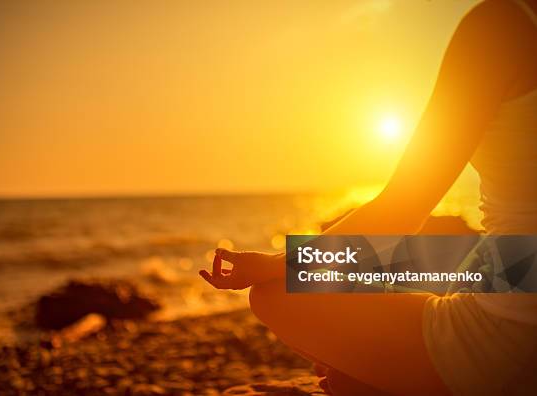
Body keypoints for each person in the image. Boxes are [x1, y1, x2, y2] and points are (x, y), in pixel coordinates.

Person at [200, 0, 537, 394]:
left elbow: (404, 207)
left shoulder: (499, 26)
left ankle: (392, 381)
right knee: (416, 267)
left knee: (273, 296)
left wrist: (277, 264)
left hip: (514, 330)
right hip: (516, 274)